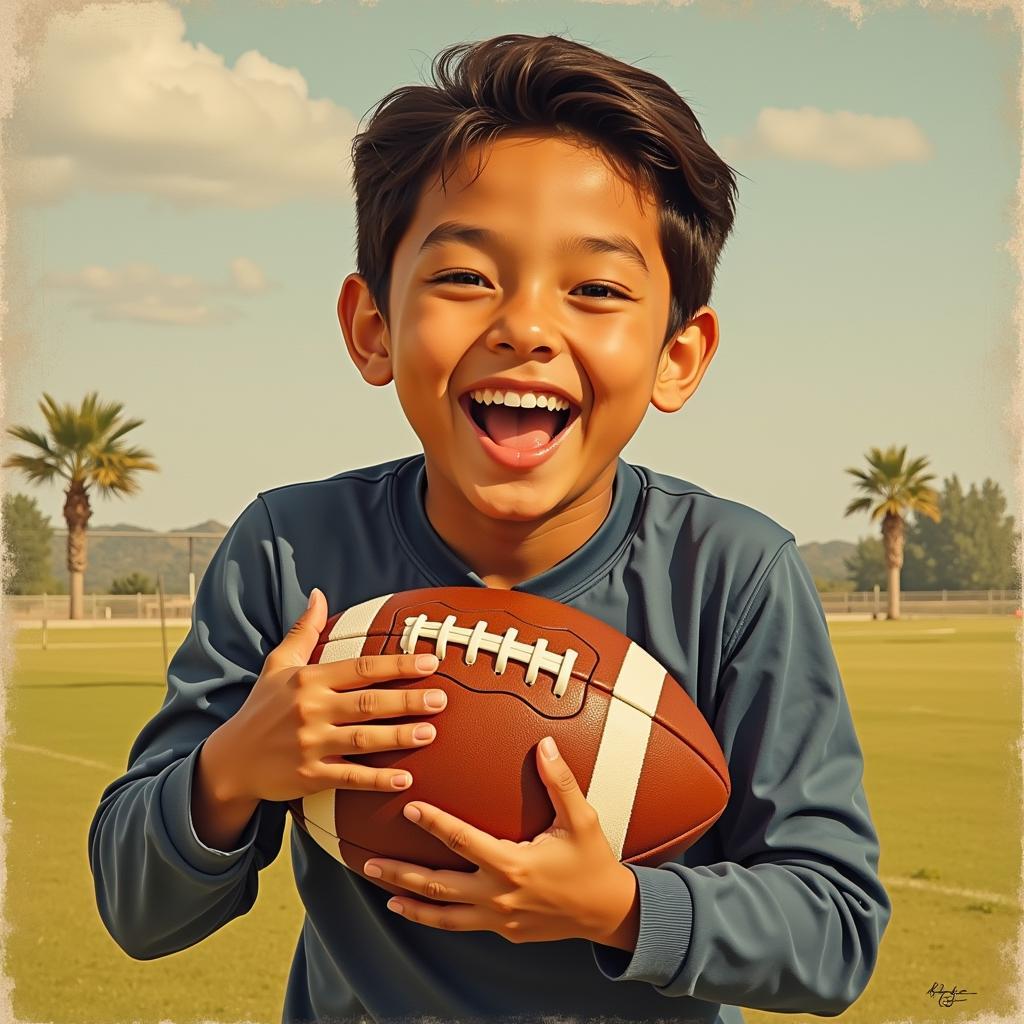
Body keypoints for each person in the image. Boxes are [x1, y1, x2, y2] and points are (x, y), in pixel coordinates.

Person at [88, 32, 890, 1024]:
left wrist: (622, 907)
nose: (525, 325)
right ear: (372, 327)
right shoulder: (290, 553)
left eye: (595, 288)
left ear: (679, 354)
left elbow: (835, 930)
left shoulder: (730, 572)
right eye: (466, 277)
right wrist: (231, 769)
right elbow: (137, 910)